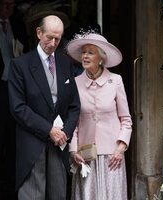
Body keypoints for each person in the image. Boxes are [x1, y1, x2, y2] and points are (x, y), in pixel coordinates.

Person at [8, 15, 80, 200]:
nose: (54, 42)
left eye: (58, 38)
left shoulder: (66, 65)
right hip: (32, 141)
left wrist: (64, 132)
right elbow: (18, 108)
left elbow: (74, 106)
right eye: (50, 37)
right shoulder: (20, 65)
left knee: (58, 194)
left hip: (59, 143)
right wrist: (48, 129)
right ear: (39, 33)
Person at [67, 32, 132, 200]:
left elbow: (126, 120)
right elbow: (72, 122)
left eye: (90, 52)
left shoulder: (116, 80)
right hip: (85, 157)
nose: (85, 56)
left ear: (101, 58)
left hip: (112, 156)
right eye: (84, 52)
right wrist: (73, 151)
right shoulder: (75, 83)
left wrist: (120, 148)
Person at [0, 0, 28, 199]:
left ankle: (12, 187)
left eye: (12, 4)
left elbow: (27, 55)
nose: (8, 8)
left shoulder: (18, 25)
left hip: (16, 88)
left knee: (14, 139)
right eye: (5, 4)